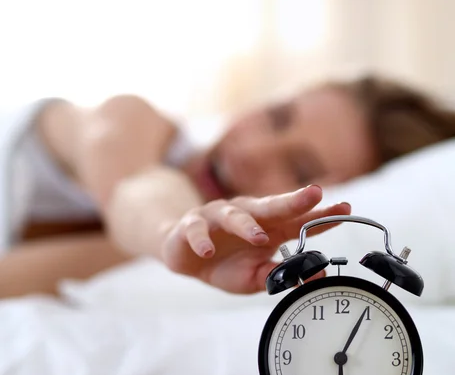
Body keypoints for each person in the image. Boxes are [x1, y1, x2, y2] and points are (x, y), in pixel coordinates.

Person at [1, 75, 455, 298]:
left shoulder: (190, 253)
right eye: (275, 118)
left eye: (298, 170)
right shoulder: (130, 121)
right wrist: (170, 230)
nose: (252, 151)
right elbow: (138, 191)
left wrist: (182, 239)